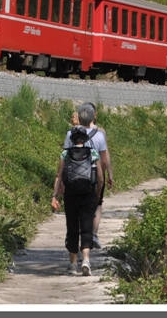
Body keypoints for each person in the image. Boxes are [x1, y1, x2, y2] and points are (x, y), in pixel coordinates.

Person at [51, 126, 103, 276]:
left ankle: (73, 264)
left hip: (71, 195)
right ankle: (86, 260)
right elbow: (100, 178)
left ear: (72, 139)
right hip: (88, 194)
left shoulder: (65, 153)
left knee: (72, 227)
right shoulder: (93, 152)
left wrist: (55, 195)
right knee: (86, 227)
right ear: (85, 139)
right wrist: (97, 194)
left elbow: (59, 175)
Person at [64, 103, 113, 248]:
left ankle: (77, 235)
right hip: (95, 176)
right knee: (97, 204)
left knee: (77, 206)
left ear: (78, 117)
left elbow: (65, 155)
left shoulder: (71, 133)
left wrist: (60, 179)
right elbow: (105, 158)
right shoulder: (100, 133)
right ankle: (93, 235)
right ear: (94, 115)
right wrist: (109, 174)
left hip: (74, 176)